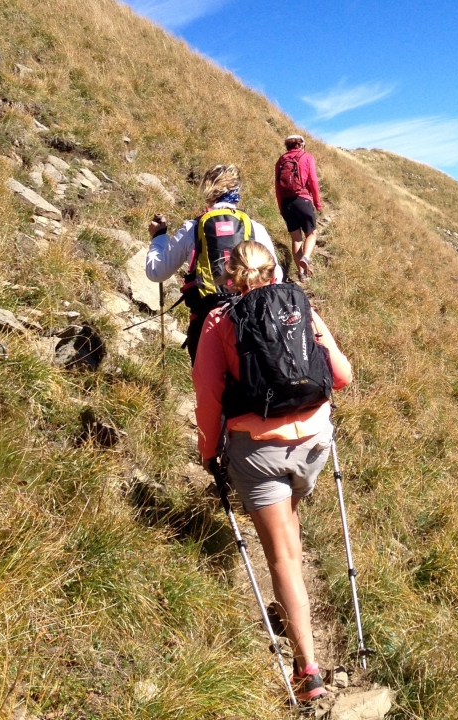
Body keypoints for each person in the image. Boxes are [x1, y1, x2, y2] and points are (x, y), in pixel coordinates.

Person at [192, 241, 351, 704]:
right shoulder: (299, 306)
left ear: (229, 276)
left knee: (279, 555)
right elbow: (341, 374)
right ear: (274, 270)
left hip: (258, 452)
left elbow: (208, 398)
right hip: (315, 443)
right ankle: (295, 594)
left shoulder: (219, 321)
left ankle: (308, 668)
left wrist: (208, 452)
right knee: (289, 529)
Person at [144, 164, 283, 363]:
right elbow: (277, 277)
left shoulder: (193, 228)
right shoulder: (255, 229)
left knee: (210, 388)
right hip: (251, 323)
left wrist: (158, 237)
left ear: (208, 191)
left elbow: (156, 273)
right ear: (237, 192)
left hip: (206, 322)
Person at [274, 135, 322, 281]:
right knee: (311, 234)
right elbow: (313, 180)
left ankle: (301, 274)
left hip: (287, 203)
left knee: (296, 240)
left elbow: (277, 187)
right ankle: (306, 258)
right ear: (301, 145)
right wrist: (317, 202)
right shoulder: (307, 157)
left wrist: (281, 206)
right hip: (303, 200)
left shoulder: (281, 161)